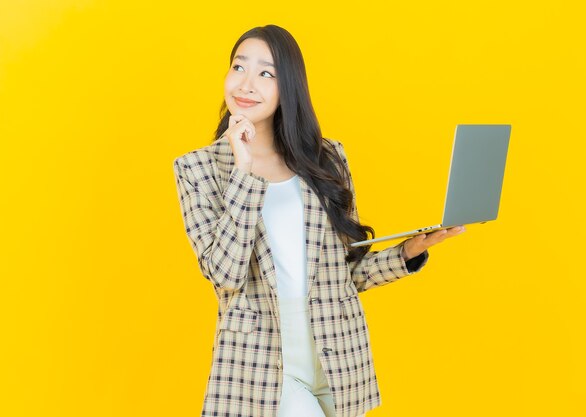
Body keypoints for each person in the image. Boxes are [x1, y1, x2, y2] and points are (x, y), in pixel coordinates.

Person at [173, 24, 465, 417]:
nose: (246, 83)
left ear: (288, 87)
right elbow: (224, 273)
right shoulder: (198, 168)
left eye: (265, 73)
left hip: (338, 357)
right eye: (239, 67)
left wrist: (408, 252)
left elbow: (348, 274)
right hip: (264, 367)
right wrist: (244, 172)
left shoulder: (327, 160)